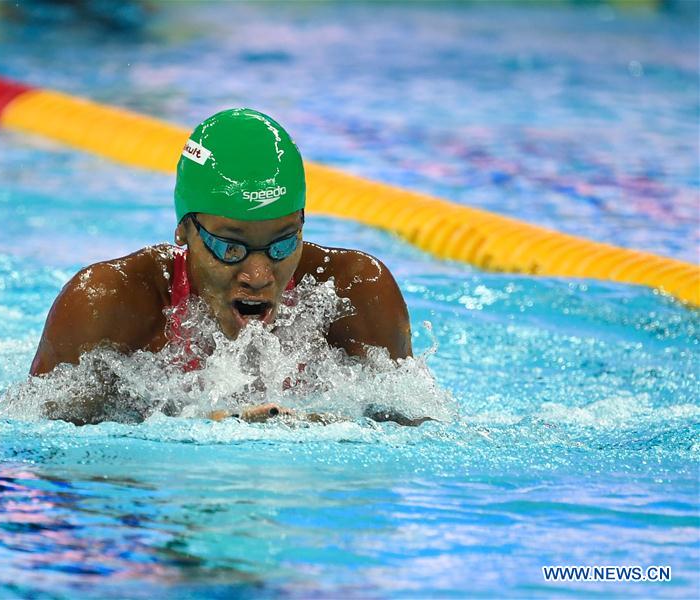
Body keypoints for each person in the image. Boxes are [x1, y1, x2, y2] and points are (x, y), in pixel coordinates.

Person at [30, 108, 418, 424]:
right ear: (184, 230)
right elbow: (40, 443)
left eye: (283, 244)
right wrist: (195, 424)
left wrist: (319, 423)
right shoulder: (108, 303)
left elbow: (414, 438)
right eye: (231, 247)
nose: (259, 276)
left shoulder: (355, 292)